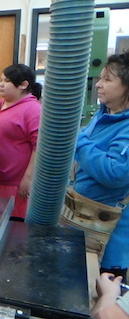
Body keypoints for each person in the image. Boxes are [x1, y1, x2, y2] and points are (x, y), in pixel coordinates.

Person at [74, 51, 129, 280]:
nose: (99, 85)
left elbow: (116, 172)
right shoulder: (103, 115)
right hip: (83, 223)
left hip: (108, 237)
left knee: (101, 302)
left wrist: (78, 140)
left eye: (107, 80)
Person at [0, 64, 42, 219]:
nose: (1, 84)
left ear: (23, 85)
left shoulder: (33, 110)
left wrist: (27, 179)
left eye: (7, 81)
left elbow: (39, 147)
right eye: (1, 80)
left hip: (11, 186)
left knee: (8, 230)